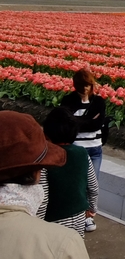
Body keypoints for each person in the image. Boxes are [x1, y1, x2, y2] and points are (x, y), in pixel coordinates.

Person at [0, 111, 90, 259]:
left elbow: (45, 199)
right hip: (77, 219)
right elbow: (92, 185)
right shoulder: (64, 244)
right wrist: (92, 206)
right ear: (35, 173)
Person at [60, 68, 105, 232]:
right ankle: (76, 215)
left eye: (88, 85)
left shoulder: (98, 101)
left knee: (92, 185)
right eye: (82, 85)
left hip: (95, 148)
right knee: (77, 183)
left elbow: (97, 124)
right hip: (75, 150)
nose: (86, 88)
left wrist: (78, 121)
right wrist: (86, 120)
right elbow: (66, 123)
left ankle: (88, 217)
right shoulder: (68, 101)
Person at [42, 107, 99, 237]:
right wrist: (92, 208)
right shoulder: (82, 153)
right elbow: (93, 187)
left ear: (46, 133)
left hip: (53, 218)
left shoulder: (45, 158)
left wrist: (36, 221)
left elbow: (43, 196)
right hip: (78, 216)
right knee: (74, 248)